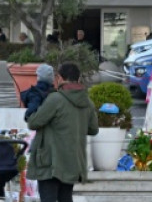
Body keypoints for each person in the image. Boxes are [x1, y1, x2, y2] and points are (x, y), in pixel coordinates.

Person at [27, 62, 98, 202]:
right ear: (78, 79)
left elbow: (33, 122)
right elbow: (93, 129)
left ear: (59, 77)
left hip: (51, 162)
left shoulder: (55, 99)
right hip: (72, 161)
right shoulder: (87, 102)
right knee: (66, 197)